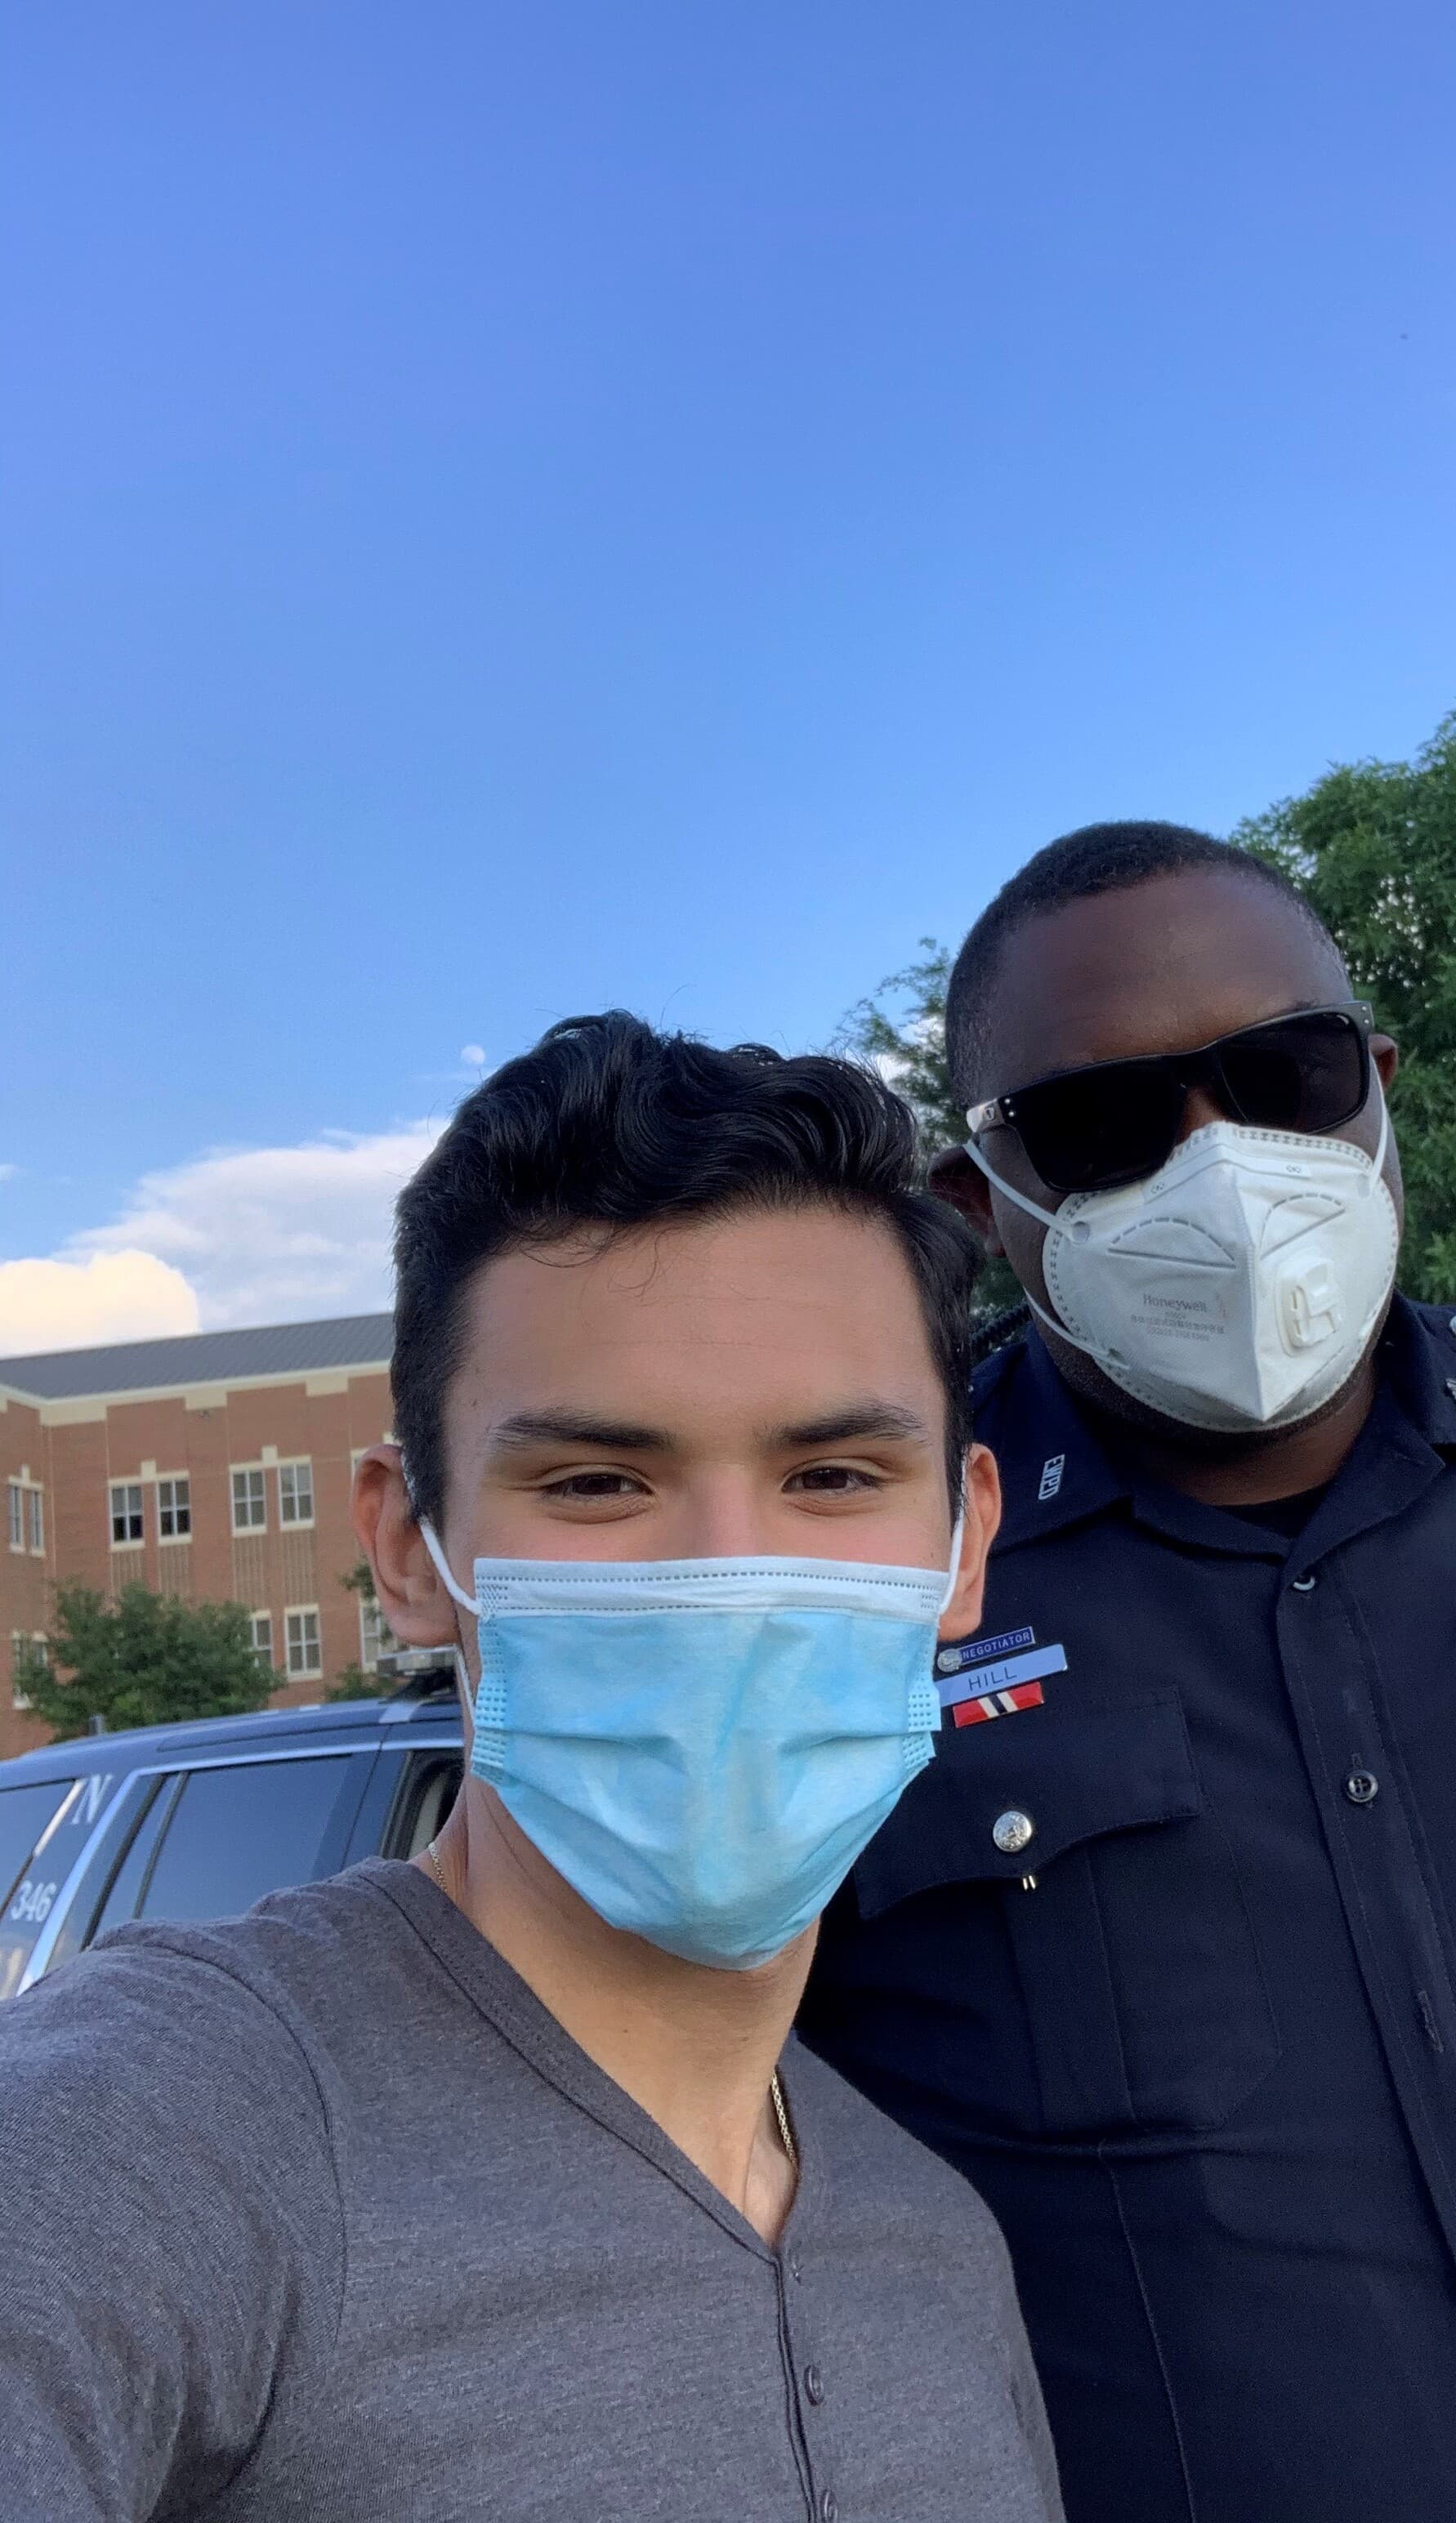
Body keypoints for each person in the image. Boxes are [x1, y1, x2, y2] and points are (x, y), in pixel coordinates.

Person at [800, 821, 1456, 2523]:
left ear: (1378, 1087)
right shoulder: (861, 1579)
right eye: (1099, 1122)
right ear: (979, 1196)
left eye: (1283, 1075)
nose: (1218, 1164)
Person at [0, 1013, 1065, 2523]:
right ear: (406, 1552)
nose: (729, 1576)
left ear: (964, 1547)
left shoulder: (937, 2245)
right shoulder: (159, 2137)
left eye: (832, 1476)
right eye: (596, 1482)